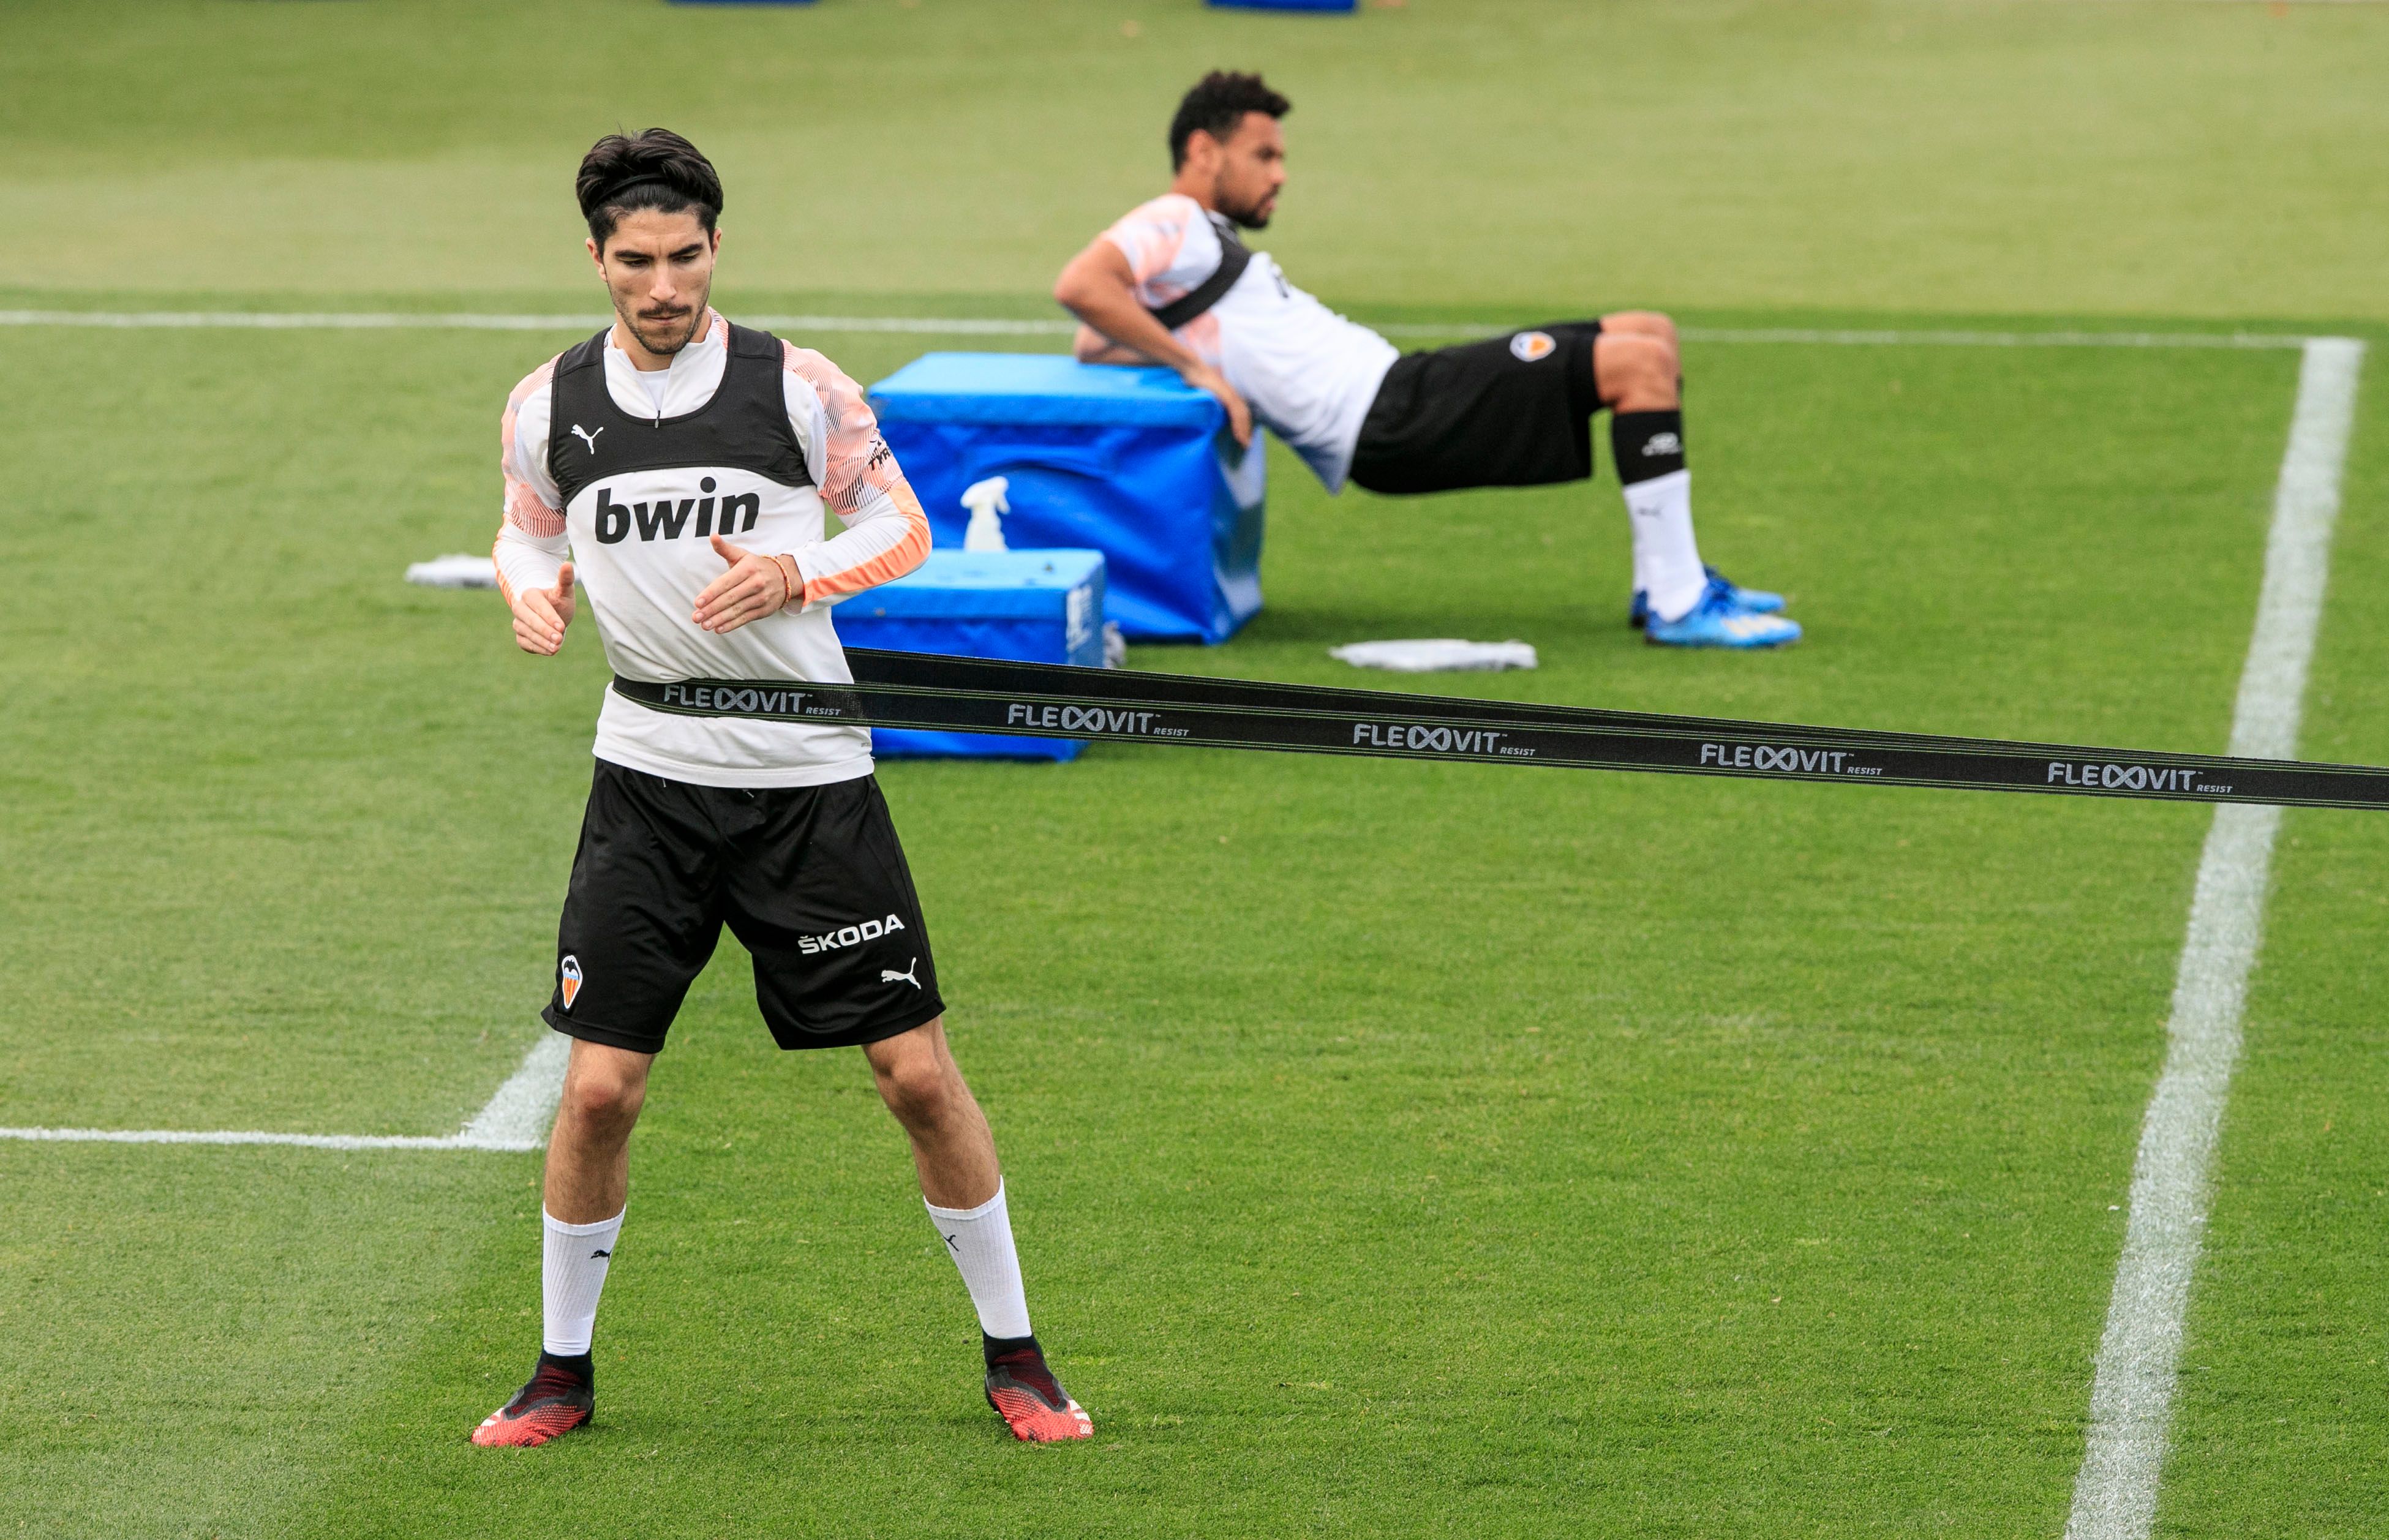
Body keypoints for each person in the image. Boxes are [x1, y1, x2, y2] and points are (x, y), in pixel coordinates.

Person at [475, 129, 1091, 1447]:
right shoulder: (546, 405)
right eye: (634, 261)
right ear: (595, 259)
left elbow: (903, 525)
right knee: (597, 1092)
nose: (663, 286)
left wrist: (796, 575)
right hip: (645, 781)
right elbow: (526, 528)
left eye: (684, 256)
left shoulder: (796, 388)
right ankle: (559, 1375)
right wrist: (534, 592)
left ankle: (1019, 1355)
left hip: (808, 782)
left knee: (914, 1074)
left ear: (716, 248)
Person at [1053, 72, 1800, 649]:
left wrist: (1190, 351)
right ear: (1202, 151)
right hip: (1388, 419)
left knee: (1649, 334)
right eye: (1264, 155)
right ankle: (1677, 603)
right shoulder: (1173, 219)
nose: (1280, 173)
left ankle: (1662, 579)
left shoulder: (1199, 243)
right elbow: (1082, 287)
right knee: (1633, 365)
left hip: (1405, 389)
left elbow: (1099, 336)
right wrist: (1200, 372)